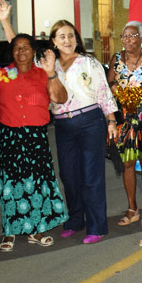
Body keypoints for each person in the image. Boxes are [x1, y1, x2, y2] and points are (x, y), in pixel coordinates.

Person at [0, 34, 70, 252]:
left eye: (25, 48)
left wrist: (51, 74)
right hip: (9, 135)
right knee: (11, 184)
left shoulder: (43, 74)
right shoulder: (1, 74)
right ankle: (10, 229)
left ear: (33, 51)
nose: (21, 52)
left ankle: (36, 229)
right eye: (16, 48)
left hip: (36, 136)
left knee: (37, 182)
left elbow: (60, 98)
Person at [50, 20, 119, 244]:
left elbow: (103, 91)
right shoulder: (50, 65)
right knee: (69, 175)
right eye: (61, 36)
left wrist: (111, 121)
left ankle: (97, 226)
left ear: (76, 38)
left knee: (92, 175)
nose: (67, 40)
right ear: (54, 41)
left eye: (71, 35)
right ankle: (75, 220)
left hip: (90, 121)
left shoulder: (88, 62)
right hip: (63, 125)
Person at [108, 21, 142, 228]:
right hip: (125, 116)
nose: (127, 40)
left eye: (132, 35)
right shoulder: (116, 58)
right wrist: (119, 92)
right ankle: (132, 208)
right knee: (127, 163)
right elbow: (109, 83)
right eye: (124, 36)